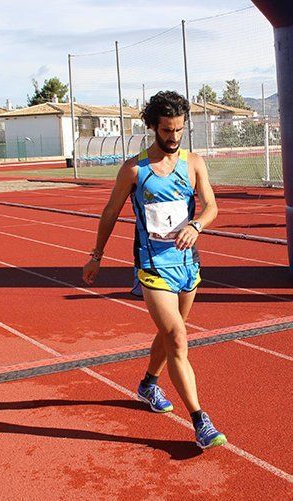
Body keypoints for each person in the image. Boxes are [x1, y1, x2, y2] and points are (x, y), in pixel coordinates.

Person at [82, 91, 226, 449]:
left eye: (179, 129)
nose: (174, 137)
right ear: (152, 127)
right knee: (177, 337)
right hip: (152, 266)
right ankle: (199, 421)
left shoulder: (194, 163)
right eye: (166, 130)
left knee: (169, 335)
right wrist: (96, 256)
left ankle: (148, 383)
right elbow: (110, 213)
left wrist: (197, 226)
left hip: (187, 265)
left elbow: (210, 206)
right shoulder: (135, 169)